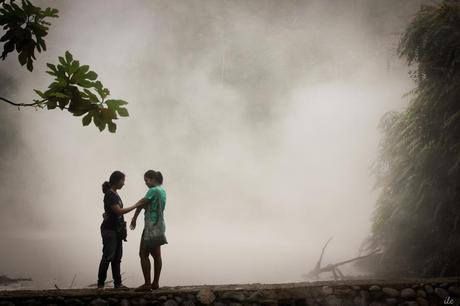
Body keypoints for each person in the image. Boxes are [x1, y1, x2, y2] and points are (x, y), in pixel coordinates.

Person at [97, 170, 145, 289]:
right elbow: (118, 211)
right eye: (122, 180)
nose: (124, 183)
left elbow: (110, 211)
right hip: (109, 230)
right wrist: (135, 206)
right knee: (107, 257)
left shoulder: (115, 194)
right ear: (116, 181)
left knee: (117, 258)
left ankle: (118, 284)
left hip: (117, 230)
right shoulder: (110, 194)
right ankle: (100, 285)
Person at [130, 170, 167, 291]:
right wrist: (135, 217)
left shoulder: (153, 190)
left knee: (143, 253)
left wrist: (131, 210)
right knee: (157, 255)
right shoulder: (162, 190)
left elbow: (142, 202)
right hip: (160, 225)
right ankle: (155, 283)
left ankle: (147, 284)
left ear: (152, 179)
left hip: (150, 226)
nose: (146, 183)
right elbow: (145, 203)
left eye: (146, 180)